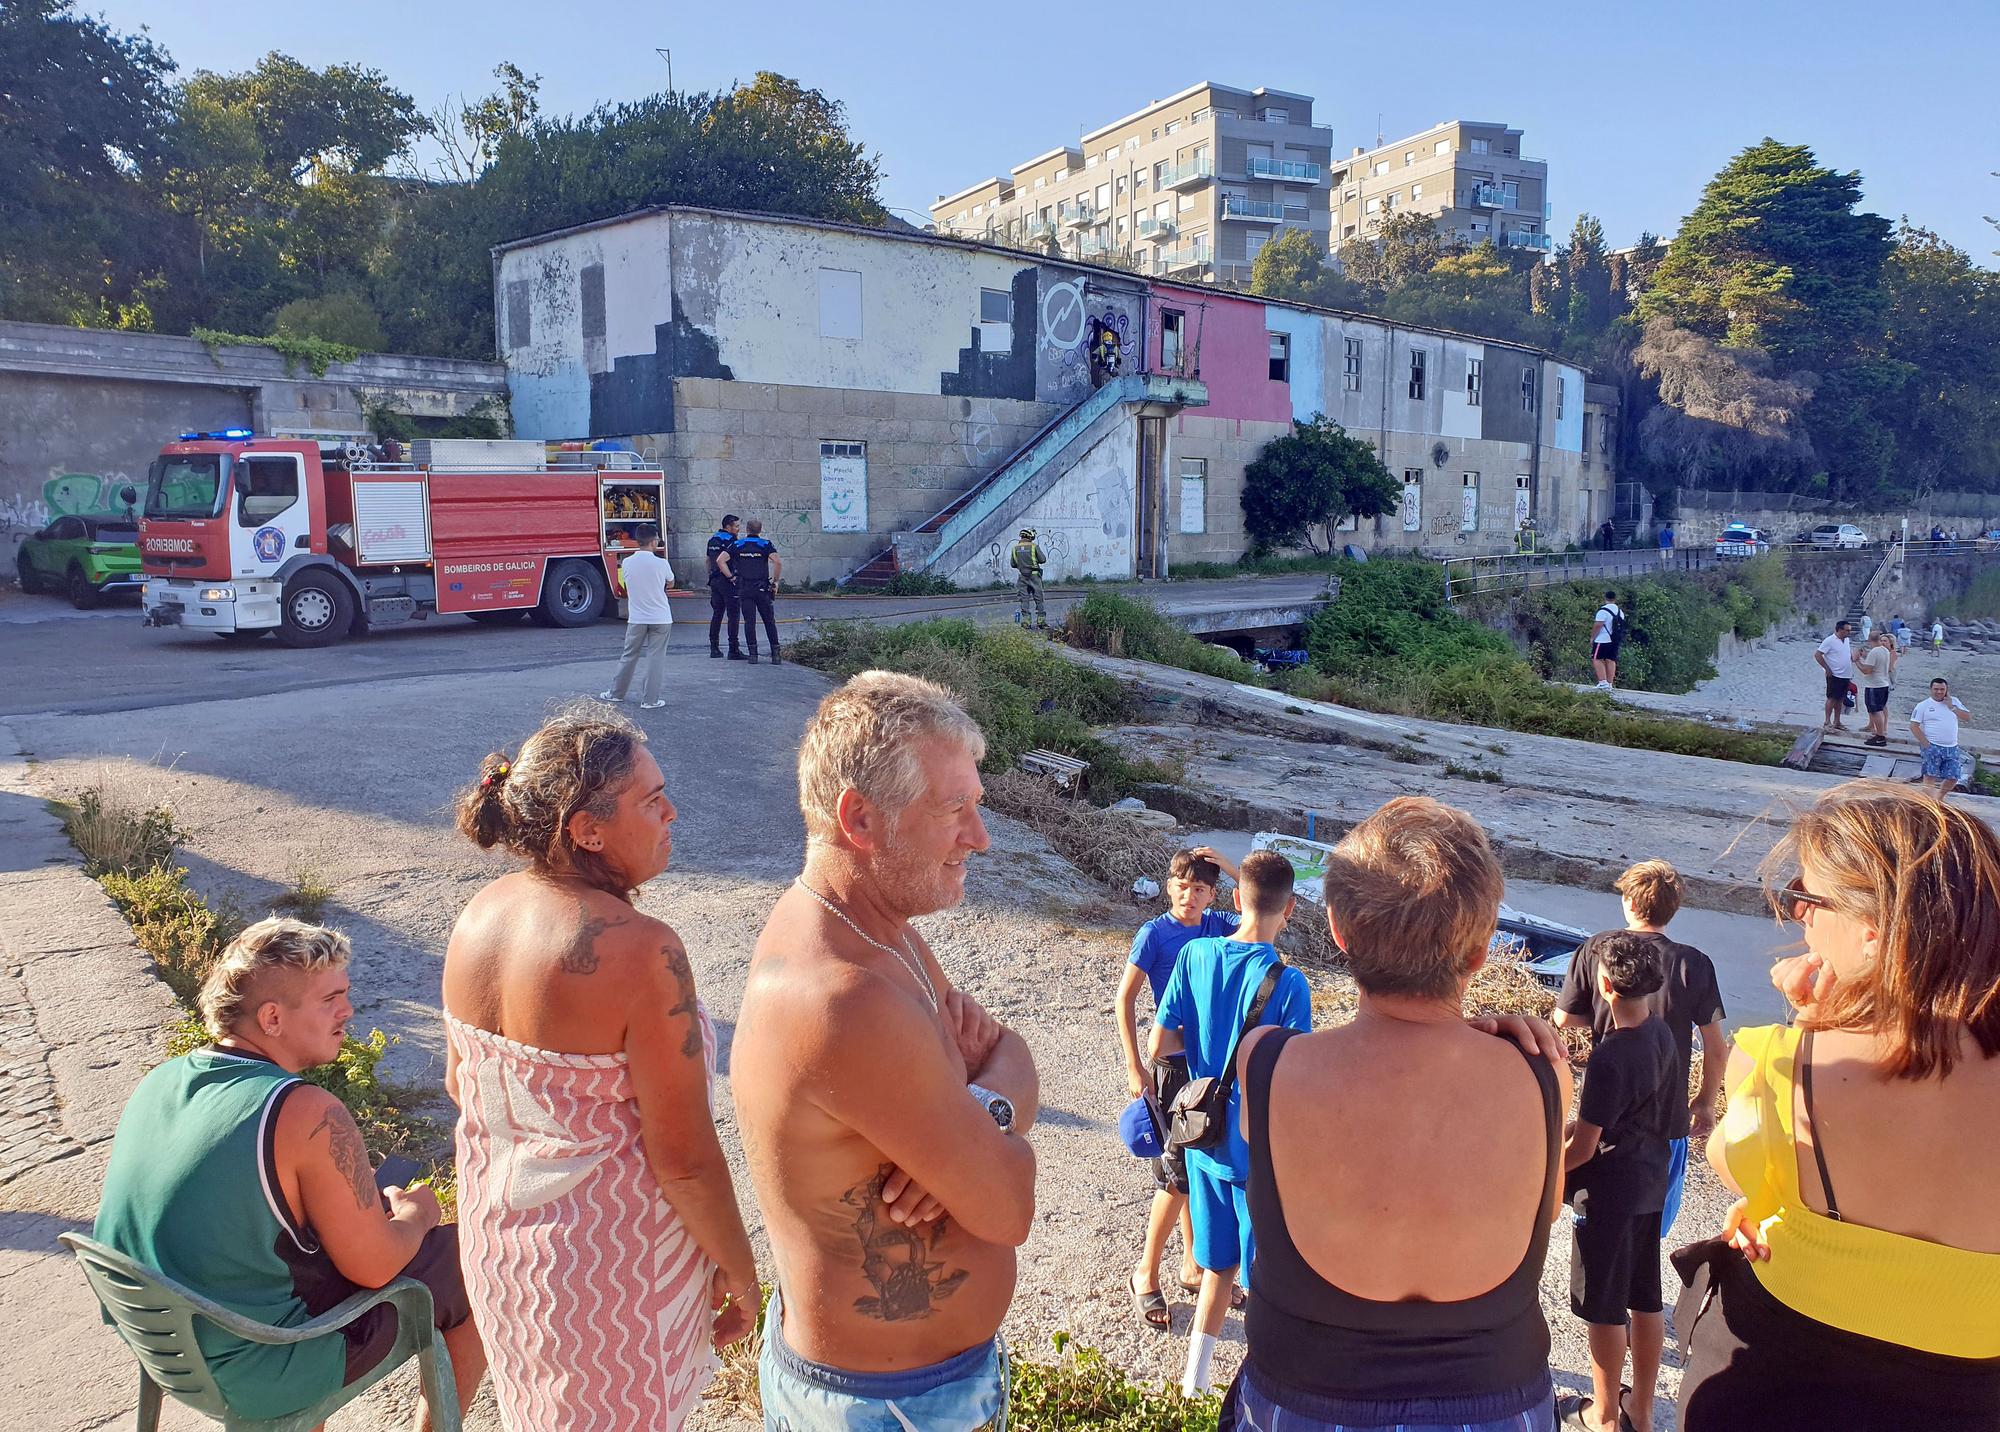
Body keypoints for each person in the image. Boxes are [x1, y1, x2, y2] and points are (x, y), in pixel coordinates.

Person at [734, 672, 1038, 1431]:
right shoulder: (841, 996)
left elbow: (1010, 1051)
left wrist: (978, 1111)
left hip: (916, 1388)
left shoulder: (881, 932)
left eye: (977, 804)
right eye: (953, 810)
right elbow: (1006, 1206)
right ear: (860, 819)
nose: (981, 836)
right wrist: (988, 1147)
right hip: (884, 1407)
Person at [446, 707, 757, 1430]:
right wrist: (739, 1268)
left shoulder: (479, 917)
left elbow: (462, 1086)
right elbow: (681, 1158)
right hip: (608, 1271)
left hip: (503, 1251)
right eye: (652, 801)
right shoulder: (642, 950)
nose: (671, 812)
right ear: (586, 829)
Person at [1220, 796, 1573, 1432]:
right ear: (1480, 949)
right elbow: (1541, 1211)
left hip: (1305, 1395)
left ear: (1338, 930)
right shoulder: (1541, 1074)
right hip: (1496, 1398)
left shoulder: (1266, 1063)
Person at [1677, 782, 2000, 1431]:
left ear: (1875, 934)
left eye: (1808, 898)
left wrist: (1805, 1021)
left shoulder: (1782, 1060)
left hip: (1783, 1371)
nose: (1799, 917)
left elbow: (1732, 1162)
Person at [94, 918, 486, 1429]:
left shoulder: (163, 1079)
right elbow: (376, 1267)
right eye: (330, 999)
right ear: (273, 1018)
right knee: (474, 1257)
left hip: (166, 1348)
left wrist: (331, 1194)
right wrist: (415, 1214)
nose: (348, 1011)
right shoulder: (304, 1110)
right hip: (260, 1364)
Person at [1150, 850, 1314, 1396]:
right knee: (1265, 1281)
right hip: (1254, 1154)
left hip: (1202, 1141)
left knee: (1216, 1270)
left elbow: (1161, 1042)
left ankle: (1192, 1384)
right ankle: (1266, 1395)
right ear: (1288, 909)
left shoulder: (1194, 955)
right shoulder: (1288, 984)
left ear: (1237, 899)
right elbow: (1292, 1077)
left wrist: (1201, 1070)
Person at [1556, 859, 1727, 1245]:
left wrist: (1601, 1018)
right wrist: (1704, 1102)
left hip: (1607, 1113)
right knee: (1650, 1230)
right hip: (1668, 1117)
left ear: (1630, 903)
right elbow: (1715, 1048)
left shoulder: (1597, 949)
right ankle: (1640, 1296)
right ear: (1673, 908)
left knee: (1600, 1217)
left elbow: (1564, 1018)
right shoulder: (1694, 963)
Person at [1115, 846, 1243, 1328]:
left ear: (1213, 895)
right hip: (1170, 1067)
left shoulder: (1215, 927)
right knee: (1177, 1177)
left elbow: (1264, 910)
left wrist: (1231, 866)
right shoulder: (1155, 934)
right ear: (1169, 887)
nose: (1190, 896)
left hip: (1209, 1068)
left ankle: (1192, 1266)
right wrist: (1134, 1065)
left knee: (1198, 1163)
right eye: (1183, 886)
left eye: (1201, 889)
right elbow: (1123, 999)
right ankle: (1145, 1274)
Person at [1561, 932, 1679, 1432]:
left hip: (1607, 1191)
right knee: (1645, 1297)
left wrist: (1543, 1166)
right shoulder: (1664, 1035)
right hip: (1649, 1180)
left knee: (1604, 1308)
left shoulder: (1611, 1054)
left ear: (1605, 986)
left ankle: (1605, 1415)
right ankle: (1643, 1412)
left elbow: (1583, 1147)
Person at [600, 524, 675, 710]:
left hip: (637, 617)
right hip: (661, 617)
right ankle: (650, 700)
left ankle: (616, 693)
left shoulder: (627, 562)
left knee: (629, 655)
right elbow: (671, 582)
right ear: (653, 541)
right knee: (655, 658)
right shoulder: (661, 563)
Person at [722, 518, 782, 664]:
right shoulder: (765, 544)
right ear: (760, 530)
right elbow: (777, 562)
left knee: (749, 621)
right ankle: (776, 655)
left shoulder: (738, 544)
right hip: (762, 588)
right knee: (769, 620)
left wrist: (731, 577)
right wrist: (775, 581)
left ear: (746, 530)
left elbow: (720, 560)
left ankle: (753, 655)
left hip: (745, 588)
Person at [1909, 676, 1973, 798]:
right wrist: (1926, 744)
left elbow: (1967, 717)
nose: (1939, 692)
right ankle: (1929, 802)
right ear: (1931, 689)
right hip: (1932, 745)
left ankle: (1939, 798)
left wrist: (1952, 707)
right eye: (1936, 689)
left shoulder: (1954, 701)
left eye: (1942, 689)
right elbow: (1914, 726)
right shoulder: (1923, 705)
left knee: (1953, 777)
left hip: (1952, 746)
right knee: (1929, 776)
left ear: (1946, 690)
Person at [706, 513, 743, 660]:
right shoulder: (731, 540)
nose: (738, 529)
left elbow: (708, 560)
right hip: (727, 581)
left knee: (717, 614)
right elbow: (732, 560)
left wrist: (710, 575)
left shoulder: (712, 539)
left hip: (714, 580)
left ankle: (714, 648)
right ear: (728, 527)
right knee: (733, 615)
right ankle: (733, 649)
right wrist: (732, 577)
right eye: (736, 526)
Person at [1855, 631, 1897, 747]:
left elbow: (1867, 670)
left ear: (1869, 640)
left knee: (1875, 711)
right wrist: (1865, 657)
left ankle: (1880, 736)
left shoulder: (1874, 652)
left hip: (1875, 685)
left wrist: (1856, 660)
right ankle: (1880, 733)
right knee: (1879, 709)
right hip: (1883, 684)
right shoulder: (1884, 650)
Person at [1814, 620, 1855, 732]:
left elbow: (1846, 654)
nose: (1849, 632)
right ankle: (1827, 721)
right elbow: (1818, 654)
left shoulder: (1846, 640)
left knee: (1840, 699)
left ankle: (1837, 721)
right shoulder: (1829, 640)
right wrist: (1827, 668)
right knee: (1831, 698)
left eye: (1850, 630)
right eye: (1847, 630)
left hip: (1846, 675)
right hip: (1835, 674)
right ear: (1840, 630)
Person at [1010, 527, 1048, 630]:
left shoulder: (1015, 548)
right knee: (1039, 599)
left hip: (1022, 577)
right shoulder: (1034, 547)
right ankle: (1041, 622)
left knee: (1024, 599)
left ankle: (1026, 622)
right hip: (1035, 576)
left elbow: (1013, 564)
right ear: (1030, 536)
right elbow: (1043, 560)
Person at [1590, 590, 1624, 691]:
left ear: (1605, 598)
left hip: (1602, 639)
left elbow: (1598, 625)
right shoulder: (1619, 611)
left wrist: (1592, 637)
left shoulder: (1602, 611)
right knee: (1611, 660)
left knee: (1597, 659)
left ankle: (1602, 682)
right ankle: (1609, 683)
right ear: (1615, 598)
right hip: (1614, 640)